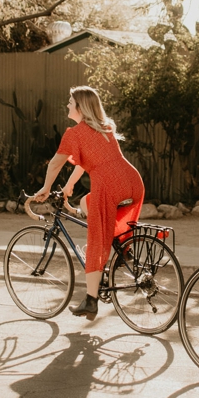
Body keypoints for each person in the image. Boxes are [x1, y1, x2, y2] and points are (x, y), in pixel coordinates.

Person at [32, 86, 145, 321]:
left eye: (70, 102)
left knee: (96, 238)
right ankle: (124, 249)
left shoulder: (75, 133)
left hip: (109, 185)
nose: (67, 105)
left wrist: (45, 188)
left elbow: (55, 164)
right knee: (85, 201)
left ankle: (91, 300)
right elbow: (87, 162)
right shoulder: (104, 128)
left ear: (80, 107)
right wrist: (69, 186)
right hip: (132, 181)